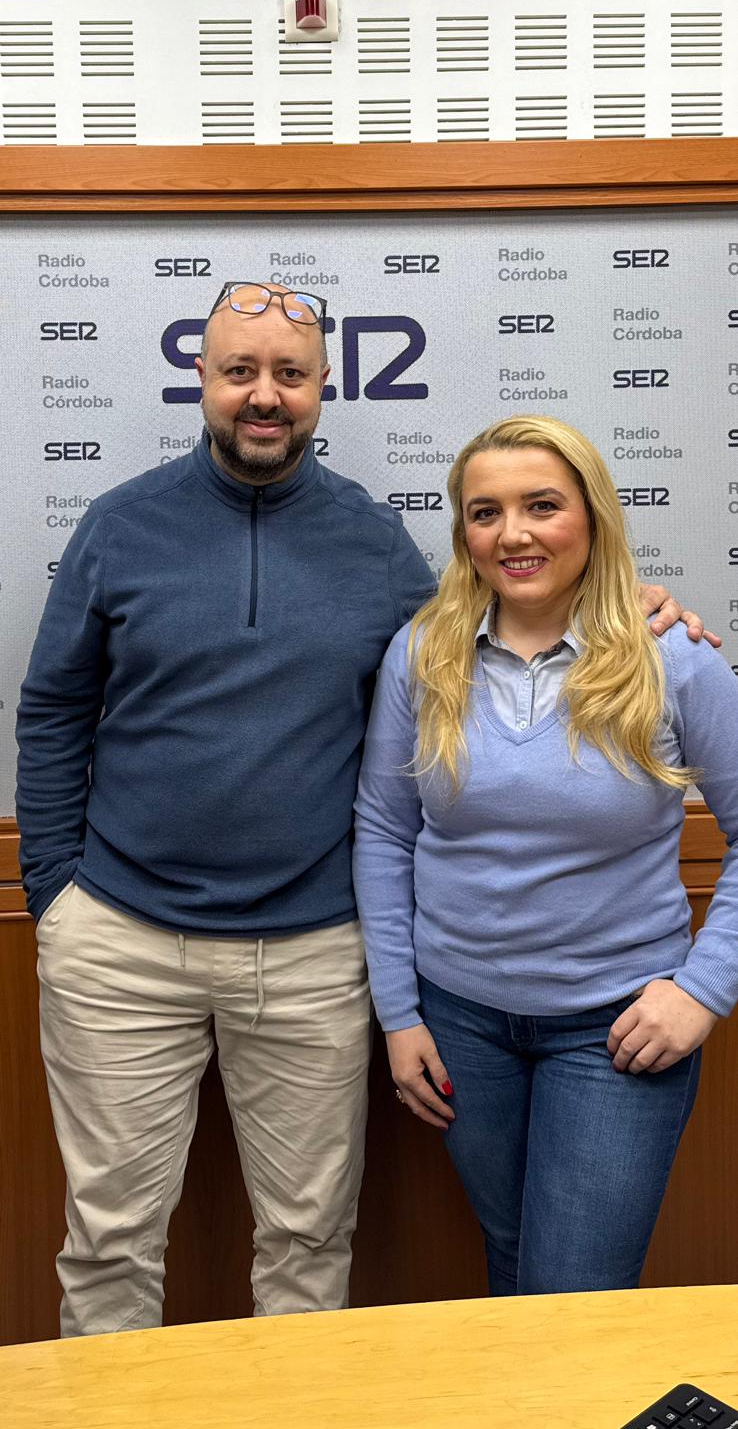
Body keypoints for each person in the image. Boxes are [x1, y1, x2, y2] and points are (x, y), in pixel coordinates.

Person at [15, 286, 712, 1336]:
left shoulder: (376, 544)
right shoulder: (120, 525)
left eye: (289, 375)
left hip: (309, 951)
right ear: (200, 379)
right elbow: (54, 709)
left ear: (322, 389)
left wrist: (646, 605)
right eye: (239, 371)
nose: (265, 395)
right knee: (108, 1241)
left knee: (309, 1242)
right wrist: (55, 893)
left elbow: (508, 609)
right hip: (120, 943)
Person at [353, 413, 738, 1297]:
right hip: (460, 1028)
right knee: (516, 1260)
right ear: (463, 535)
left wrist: (704, 990)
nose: (513, 533)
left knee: (574, 1290)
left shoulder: (672, 660)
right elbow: (383, 828)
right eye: (485, 513)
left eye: (542, 506)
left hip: (616, 1033)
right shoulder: (424, 654)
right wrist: (400, 1014)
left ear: (593, 520)